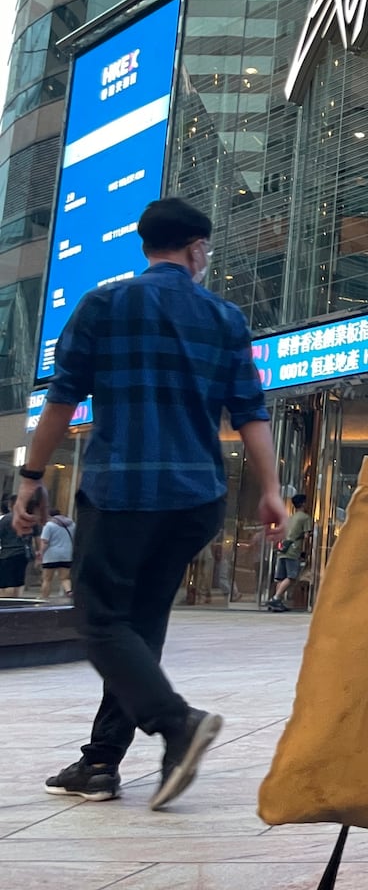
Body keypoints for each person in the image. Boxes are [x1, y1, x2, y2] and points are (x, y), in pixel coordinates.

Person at [12, 197, 288, 809]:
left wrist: (31, 475)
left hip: (124, 491)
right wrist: (269, 489)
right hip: (196, 498)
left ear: (146, 246)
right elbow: (251, 414)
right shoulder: (223, 316)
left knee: (99, 620)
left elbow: (61, 402)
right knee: (139, 626)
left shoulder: (102, 304)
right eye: (206, 251)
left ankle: (176, 723)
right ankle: (101, 761)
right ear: (196, 250)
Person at [266, 494, 312, 612]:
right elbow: (307, 536)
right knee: (292, 577)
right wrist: (305, 551)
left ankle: (277, 602)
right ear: (302, 504)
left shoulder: (289, 518)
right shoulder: (305, 518)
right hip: (293, 550)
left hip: (284, 549)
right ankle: (275, 598)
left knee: (281, 577)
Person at [0, 496, 33, 598]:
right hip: (23, 553)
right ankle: (15, 602)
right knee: (18, 582)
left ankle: (5, 605)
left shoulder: (5, 519)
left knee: (6, 583)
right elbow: (37, 537)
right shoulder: (29, 518)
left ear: (11, 505)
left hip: (7, 553)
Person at [39, 512, 75, 599]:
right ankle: (69, 592)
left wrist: (40, 553)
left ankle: (44, 598)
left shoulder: (49, 525)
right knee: (65, 578)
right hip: (67, 555)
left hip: (51, 555)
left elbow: (45, 541)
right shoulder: (72, 525)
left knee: (47, 579)